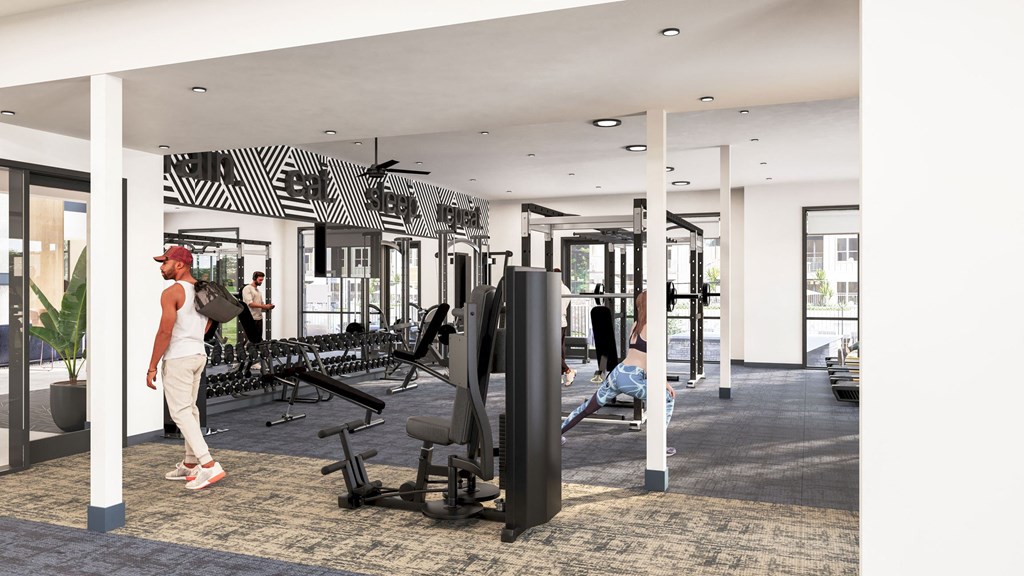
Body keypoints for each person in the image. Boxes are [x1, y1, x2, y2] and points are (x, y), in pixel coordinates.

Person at [147, 245, 227, 490]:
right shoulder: (204, 292)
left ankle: (208, 464)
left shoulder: (172, 292)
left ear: (179, 264)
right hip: (197, 354)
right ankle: (190, 464)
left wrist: (152, 366)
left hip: (179, 358)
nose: (162, 267)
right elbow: (208, 324)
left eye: (165, 262)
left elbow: (165, 331)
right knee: (190, 410)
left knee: (180, 413)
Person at [560, 290, 677, 456]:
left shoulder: (636, 326)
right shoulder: (655, 327)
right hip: (632, 377)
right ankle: (658, 447)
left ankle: (555, 435)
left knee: (587, 409)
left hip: (617, 373)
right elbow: (655, 362)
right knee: (667, 398)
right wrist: (665, 384)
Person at [553, 268, 576, 386]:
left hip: (555, 323)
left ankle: (568, 370)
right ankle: (560, 375)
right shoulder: (566, 289)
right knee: (560, 350)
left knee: (553, 351)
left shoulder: (556, 289)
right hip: (562, 322)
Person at [241, 271, 274, 343]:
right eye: (260, 280)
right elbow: (250, 304)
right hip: (250, 318)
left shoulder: (258, 291)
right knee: (250, 341)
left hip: (259, 318)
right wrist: (264, 306)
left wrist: (268, 306)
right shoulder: (247, 288)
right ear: (254, 278)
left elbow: (261, 305)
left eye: (262, 280)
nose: (261, 282)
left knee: (258, 340)